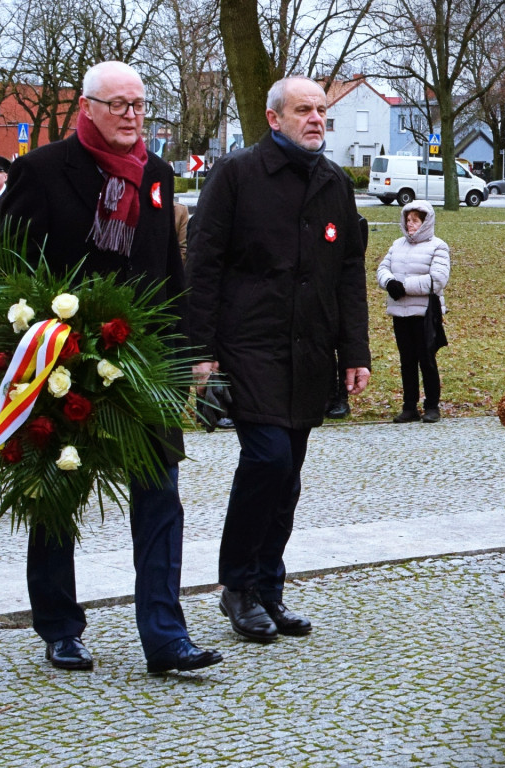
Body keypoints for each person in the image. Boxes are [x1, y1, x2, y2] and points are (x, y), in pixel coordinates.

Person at [2, 60, 223, 676]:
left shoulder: (155, 173)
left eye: (140, 104)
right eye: (119, 104)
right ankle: (60, 626)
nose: (132, 115)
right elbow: (7, 269)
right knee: (58, 490)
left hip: (143, 361)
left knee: (160, 495)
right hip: (63, 359)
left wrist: (186, 352)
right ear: (88, 108)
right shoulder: (42, 170)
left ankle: (165, 634)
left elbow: (168, 272)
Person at [187, 76, 371, 644]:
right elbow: (204, 262)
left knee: (287, 475)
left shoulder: (334, 181)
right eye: (302, 110)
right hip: (250, 345)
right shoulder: (238, 174)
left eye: (320, 110)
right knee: (265, 459)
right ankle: (237, 587)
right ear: (273, 118)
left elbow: (348, 273)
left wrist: (355, 352)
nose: (315, 118)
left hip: (310, 348)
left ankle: (269, 587)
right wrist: (200, 350)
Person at [376, 201, 451, 424]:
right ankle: (409, 406)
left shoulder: (438, 246)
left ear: (425, 222)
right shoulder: (397, 245)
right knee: (406, 360)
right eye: (408, 220)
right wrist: (389, 282)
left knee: (426, 359)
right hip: (400, 313)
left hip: (425, 314)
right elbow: (382, 268)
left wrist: (404, 286)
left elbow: (437, 280)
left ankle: (432, 406)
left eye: (415, 221)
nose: (410, 224)